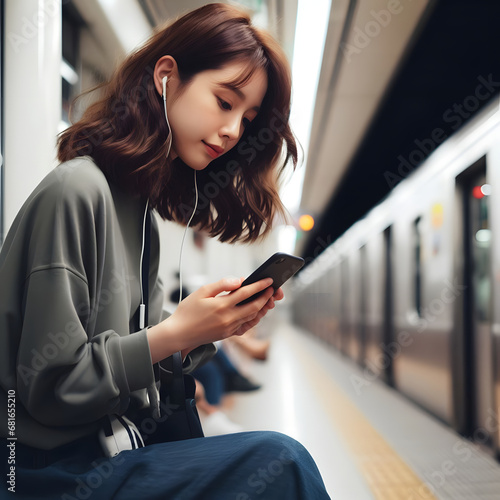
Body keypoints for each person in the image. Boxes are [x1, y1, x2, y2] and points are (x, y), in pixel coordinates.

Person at [0, 3, 330, 498]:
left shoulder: (139, 211)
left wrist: (205, 330)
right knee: (281, 462)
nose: (235, 130)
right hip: (40, 469)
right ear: (167, 76)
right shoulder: (76, 192)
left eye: (248, 118)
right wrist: (174, 332)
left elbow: (129, 375)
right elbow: (50, 391)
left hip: (104, 449)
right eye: (225, 102)